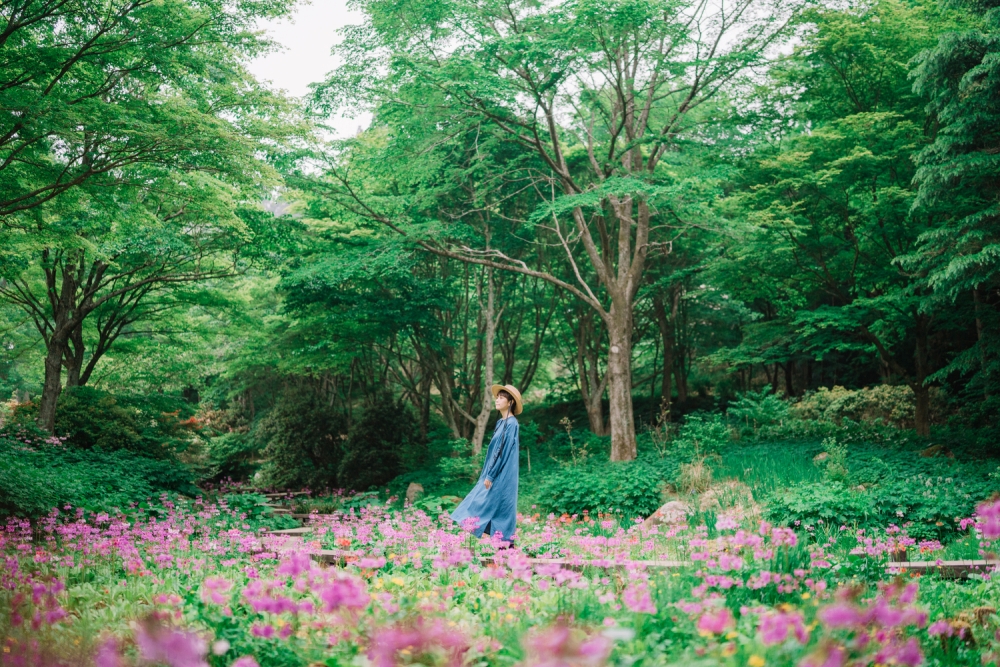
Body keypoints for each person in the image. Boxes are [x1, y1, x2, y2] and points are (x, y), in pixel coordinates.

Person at [450, 384, 523, 546]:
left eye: (502, 397)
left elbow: (502, 451)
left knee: (497, 505)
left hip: (501, 474)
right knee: (482, 501)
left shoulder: (512, 424)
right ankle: (504, 547)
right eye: (497, 397)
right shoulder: (501, 423)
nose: (497, 400)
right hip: (493, 472)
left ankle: (506, 547)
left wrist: (491, 474)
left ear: (510, 402)